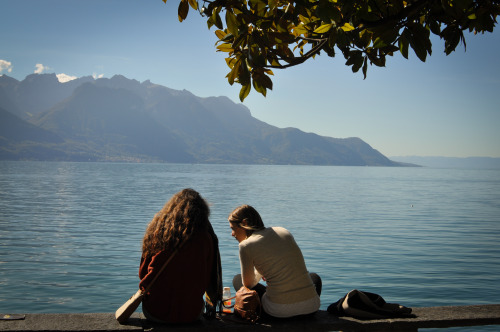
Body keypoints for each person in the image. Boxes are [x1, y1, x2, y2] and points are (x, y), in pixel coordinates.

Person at [139, 188, 222, 324]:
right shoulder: (205, 239)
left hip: (155, 311)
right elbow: (207, 278)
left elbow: (143, 274)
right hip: (190, 313)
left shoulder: (157, 232)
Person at [228, 204, 322, 319]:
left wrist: (260, 272)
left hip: (278, 312)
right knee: (314, 277)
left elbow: (248, 284)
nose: (232, 234)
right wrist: (263, 271)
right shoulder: (283, 231)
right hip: (311, 307)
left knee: (237, 280)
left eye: (233, 228)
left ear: (244, 223)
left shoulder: (245, 245)